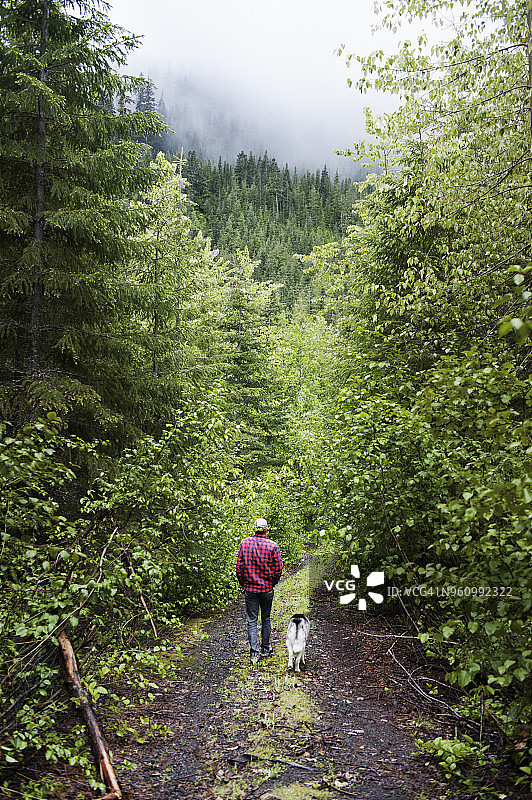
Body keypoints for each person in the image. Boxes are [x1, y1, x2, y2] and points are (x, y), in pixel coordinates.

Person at [236, 518, 283, 664]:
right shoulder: (273, 546)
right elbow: (278, 568)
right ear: (266, 529)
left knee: (252, 620)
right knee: (266, 618)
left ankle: (254, 654)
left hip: (250, 589)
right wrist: (272, 583)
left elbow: (239, 568)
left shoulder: (244, 543)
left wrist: (244, 584)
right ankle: (265, 648)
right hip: (266, 589)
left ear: (254, 528)